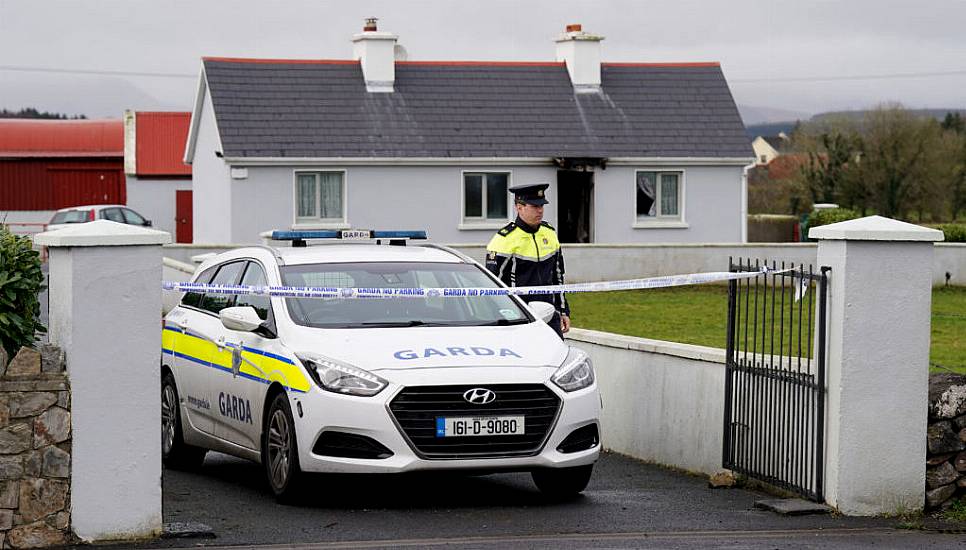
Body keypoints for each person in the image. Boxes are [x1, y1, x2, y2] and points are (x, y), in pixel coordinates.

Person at [485, 183, 570, 338]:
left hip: (550, 315)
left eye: (542, 206)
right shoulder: (503, 239)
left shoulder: (549, 233)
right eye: (534, 206)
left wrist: (563, 311)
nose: (540, 210)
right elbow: (492, 285)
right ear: (519, 207)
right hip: (518, 318)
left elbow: (558, 277)